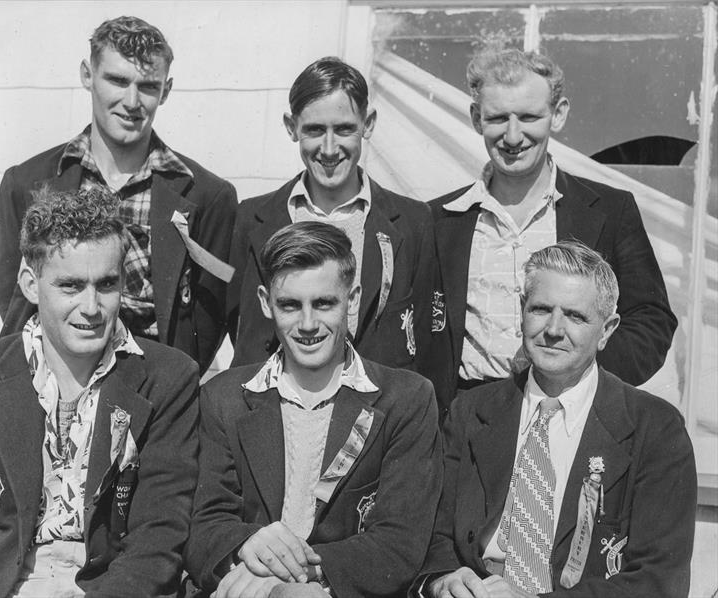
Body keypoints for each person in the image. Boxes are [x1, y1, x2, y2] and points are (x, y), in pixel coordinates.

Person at [0, 186, 200, 598]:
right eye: (70, 286)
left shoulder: (168, 377)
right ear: (31, 285)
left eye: (106, 284)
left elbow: (158, 537)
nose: (92, 307)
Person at [418, 240, 696, 598]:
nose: (553, 329)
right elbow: (432, 535)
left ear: (607, 330)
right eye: (540, 309)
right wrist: (443, 580)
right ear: (522, 311)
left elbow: (659, 581)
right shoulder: (470, 412)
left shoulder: (654, 429)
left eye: (575, 316)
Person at [188, 221, 443, 598]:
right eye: (289, 305)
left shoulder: (407, 398)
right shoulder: (222, 397)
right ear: (264, 301)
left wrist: (293, 580)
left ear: (353, 298)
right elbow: (204, 523)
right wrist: (245, 544)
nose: (308, 324)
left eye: (324, 303)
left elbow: (399, 543)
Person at [0, 16, 237, 374]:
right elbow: (13, 293)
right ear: (87, 76)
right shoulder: (27, 182)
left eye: (148, 86)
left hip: (154, 389)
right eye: (118, 80)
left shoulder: (208, 195)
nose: (132, 101)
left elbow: (208, 317)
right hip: (51, 377)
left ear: (166, 91)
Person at [430, 46, 676, 398]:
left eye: (529, 117)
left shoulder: (611, 210)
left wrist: (579, 381)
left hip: (571, 417)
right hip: (460, 423)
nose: (513, 137)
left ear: (557, 115)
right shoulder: (435, 219)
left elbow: (651, 322)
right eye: (498, 118)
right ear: (476, 118)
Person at [227, 56, 447, 406]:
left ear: (368, 124)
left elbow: (427, 339)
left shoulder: (413, 221)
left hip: (379, 421)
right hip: (278, 413)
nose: (329, 149)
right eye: (314, 130)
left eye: (344, 129)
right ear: (291, 127)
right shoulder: (254, 217)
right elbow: (245, 326)